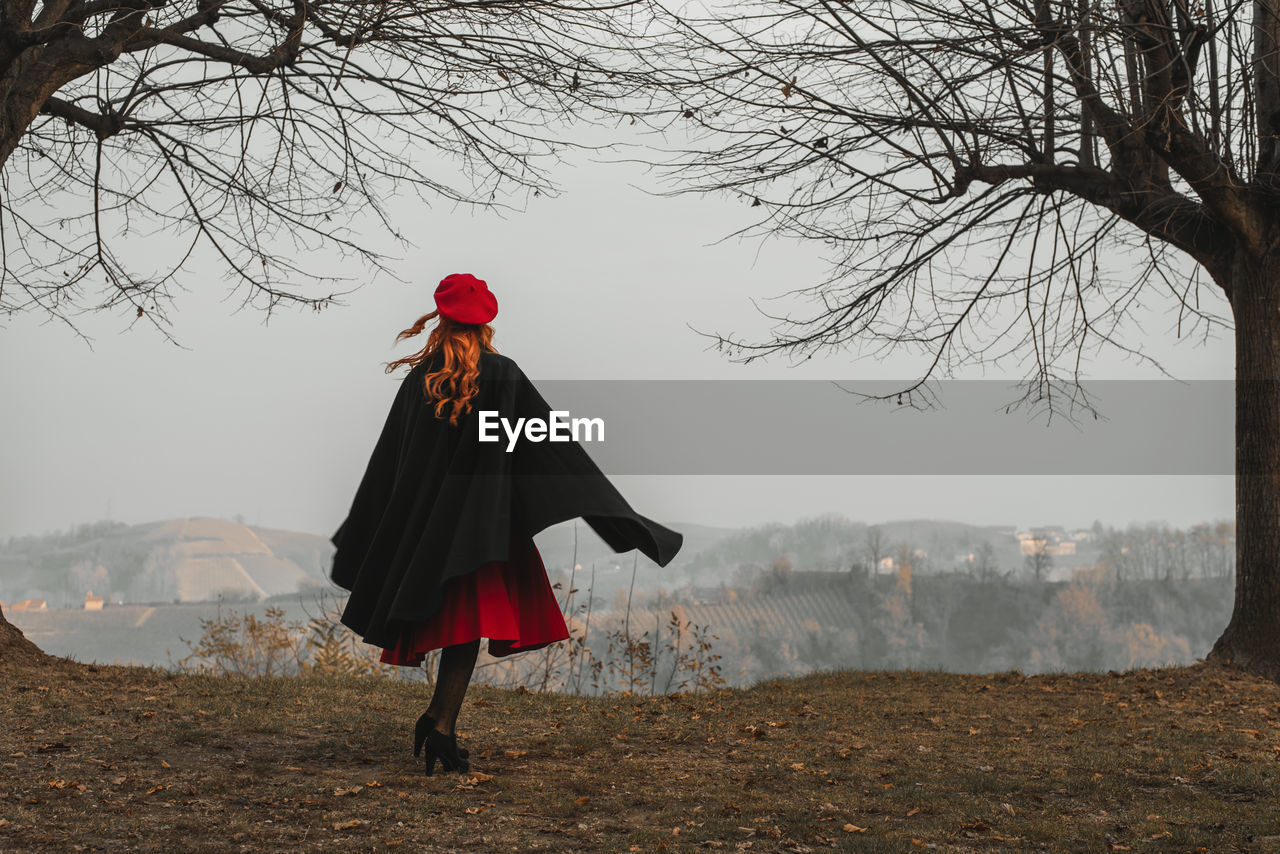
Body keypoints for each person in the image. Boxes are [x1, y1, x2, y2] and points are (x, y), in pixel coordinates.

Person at [329, 273, 683, 776]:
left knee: (461, 627)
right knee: (465, 629)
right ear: (485, 324)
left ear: (442, 319)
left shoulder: (420, 381)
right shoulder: (503, 374)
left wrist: (371, 533)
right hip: (481, 533)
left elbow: (391, 465)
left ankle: (438, 722)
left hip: (433, 535)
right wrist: (606, 502)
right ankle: (440, 727)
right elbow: (548, 442)